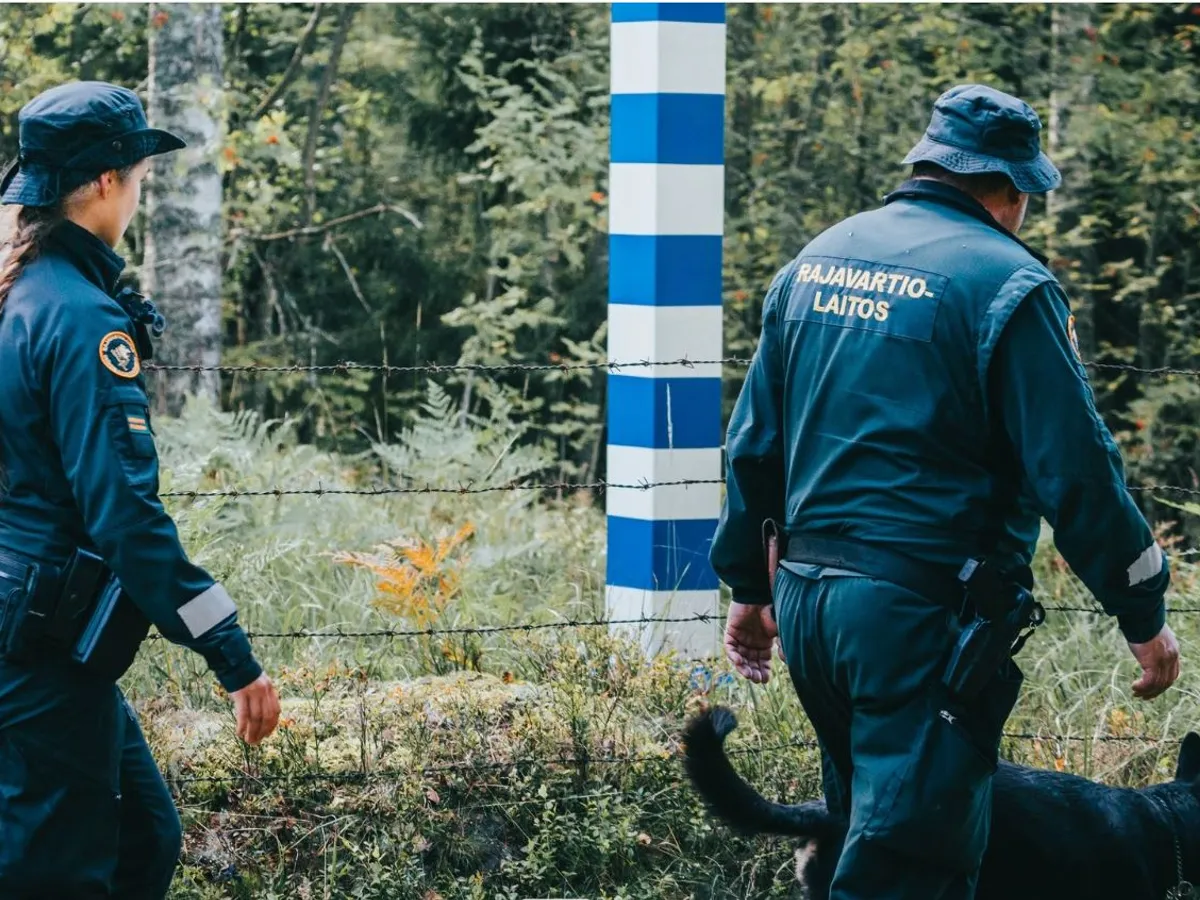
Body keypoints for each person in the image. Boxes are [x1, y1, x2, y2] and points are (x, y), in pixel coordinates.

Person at [709, 83, 1180, 900]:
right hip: (921, 622)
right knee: (909, 872)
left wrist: (750, 589)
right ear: (1011, 191)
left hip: (811, 607)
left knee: (858, 837)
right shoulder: (1008, 286)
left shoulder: (816, 261)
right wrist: (1144, 614)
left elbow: (754, 446)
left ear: (927, 163)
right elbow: (1075, 470)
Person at [0, 81, 280, 898]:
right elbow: (126, 520)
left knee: (141, 838)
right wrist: (231, 654)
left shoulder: (23, 290)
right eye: (137, 174)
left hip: (40, 636)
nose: (139, 192)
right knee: (60, 873)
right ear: (101, 184)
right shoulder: (79, 319)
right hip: (42, 647)